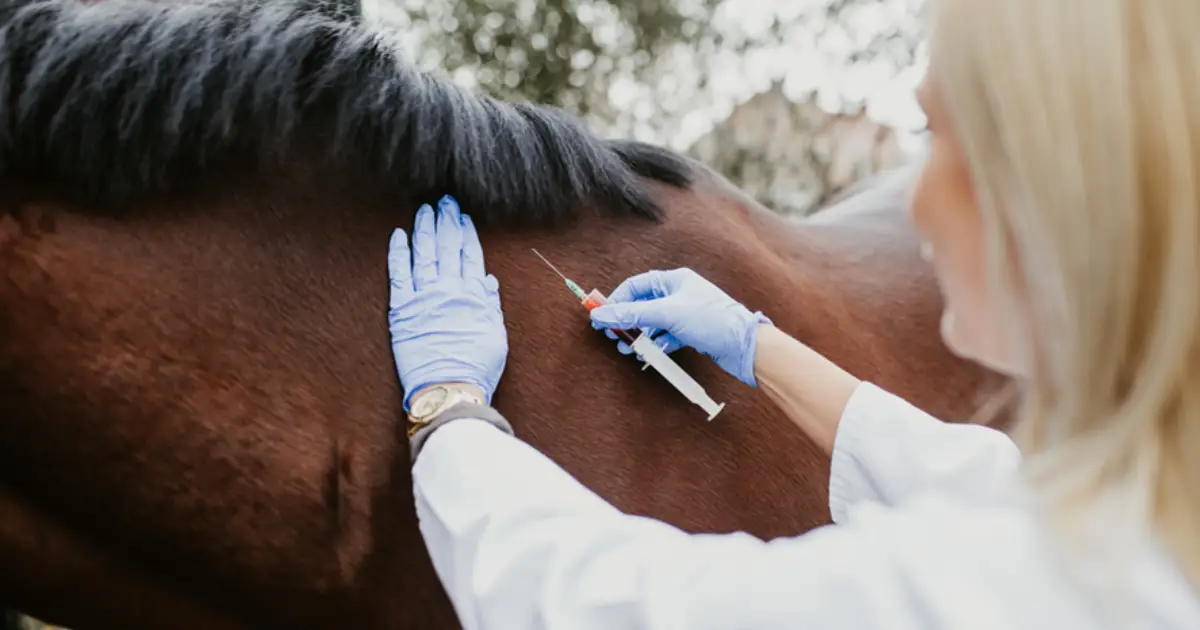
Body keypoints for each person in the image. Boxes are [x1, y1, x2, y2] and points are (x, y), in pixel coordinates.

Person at [385, 1, 1200, 627]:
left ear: (1077, 192)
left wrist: (449, 408)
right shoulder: (1151, 516)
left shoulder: (1019, 587)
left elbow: (620, 606)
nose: (911, 201)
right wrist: (754, 342)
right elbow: (977, 475)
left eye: (944, 136)